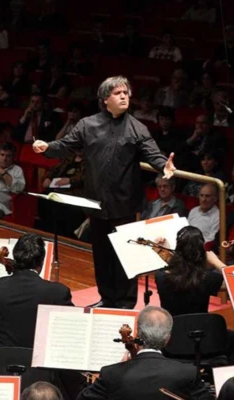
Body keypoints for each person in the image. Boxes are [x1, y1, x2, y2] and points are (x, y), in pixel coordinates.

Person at [33, 76, 176, 309]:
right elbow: (66, 145)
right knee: (101, 256)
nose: (124, 97)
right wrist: (47, 147)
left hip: (125, 203)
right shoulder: (87, 125)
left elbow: (153, 154)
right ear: (105, 99)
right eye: (118, 93)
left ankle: (126, 302)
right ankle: (108, 298)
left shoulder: (137, 127)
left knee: (126, 256)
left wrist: (164, 165)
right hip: (96, 202)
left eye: (126, 93)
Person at [0, 233, 74, 366]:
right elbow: (70, 330)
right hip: (38, 370)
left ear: (15, 257)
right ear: (41, 262)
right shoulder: (58, 293)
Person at [76, 306, 213, 400]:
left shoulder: (111, 374)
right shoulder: (188, 372)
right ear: (168, 338)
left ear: (137, 334)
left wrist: (119, 368)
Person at [155, 226, 225, 317]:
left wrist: (164, 251)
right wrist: (216, 262)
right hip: (201, 328)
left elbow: (178, 268)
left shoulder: (160, 276)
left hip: (172, 329)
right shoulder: (208, 278)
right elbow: (231, 281)